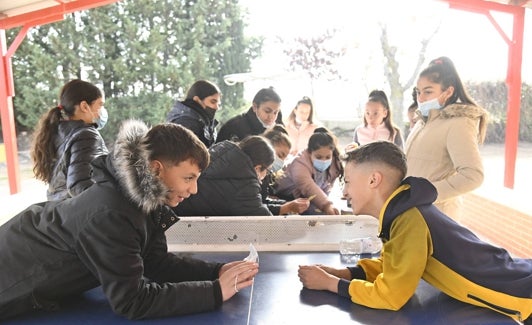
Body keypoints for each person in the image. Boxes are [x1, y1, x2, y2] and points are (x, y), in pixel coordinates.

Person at [0, 121, 259, 320]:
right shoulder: (111, 213)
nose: (194, 190)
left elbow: (154, 262)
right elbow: (132, 301)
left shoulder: (145, 200)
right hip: (14, 268)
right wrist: (215, 292)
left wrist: (216, 273)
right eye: (189, 178)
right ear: (156, 169)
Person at [297, 141, 532, 324]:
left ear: (373, 180)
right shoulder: (403, 214)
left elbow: (390, 295)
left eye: (347, 182)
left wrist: (331, 284)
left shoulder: (409, 219)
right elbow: (397, 264)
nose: (345, 192)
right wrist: (346, 273)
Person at [404, 56, 489, 219]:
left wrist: (427, 194)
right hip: (414, 214)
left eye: (428, 92)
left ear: (448, 91)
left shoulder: (459, 123)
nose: (420, 98)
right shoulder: (422, 121)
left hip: (437, 217)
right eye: (418, 92)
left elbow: (473, 176)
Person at [30, 79, 108, 201]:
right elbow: (80, 186)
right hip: (77, 214)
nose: (102, 111)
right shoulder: (87, 135)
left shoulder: (57, 132)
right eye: (100, 105)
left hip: (59, 209)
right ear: (84, 106)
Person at [174, 135, 275, 216]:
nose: (266, 176)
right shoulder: (246, 184)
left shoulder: (220, 152)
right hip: (187, 230)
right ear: (257, 168)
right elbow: (264, 220)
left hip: (175, 212)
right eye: (268, 171)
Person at [274, 127, 344, 215]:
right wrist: (327, 205)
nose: (324, 160)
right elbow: (308, 187)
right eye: (318, 157)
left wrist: (329, 205)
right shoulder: (298, 163)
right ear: (310, 152)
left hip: (306, 198)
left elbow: (326, 188)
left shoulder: (335, 163)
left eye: (327, 157)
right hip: (282, 197)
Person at [262, 125, 310, 215]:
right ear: (267, 148)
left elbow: (262, 201)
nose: (281, 161)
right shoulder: (253, 175)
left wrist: (287, 204)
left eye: (284, 158)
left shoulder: (266, 175)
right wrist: (287, 207)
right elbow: (256, 208)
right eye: (280, 155)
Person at [216, 87, 283, 142]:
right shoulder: (236, 126)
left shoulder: (275, 130)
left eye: (275, 112)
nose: (271, 117)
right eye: (267, 111)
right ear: (255, 107)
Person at [166, 79, 221, 147]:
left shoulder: (207, 123)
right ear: (197, 100)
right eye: (213, 102)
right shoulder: (185, 123)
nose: (216, 107)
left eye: (218, 104)